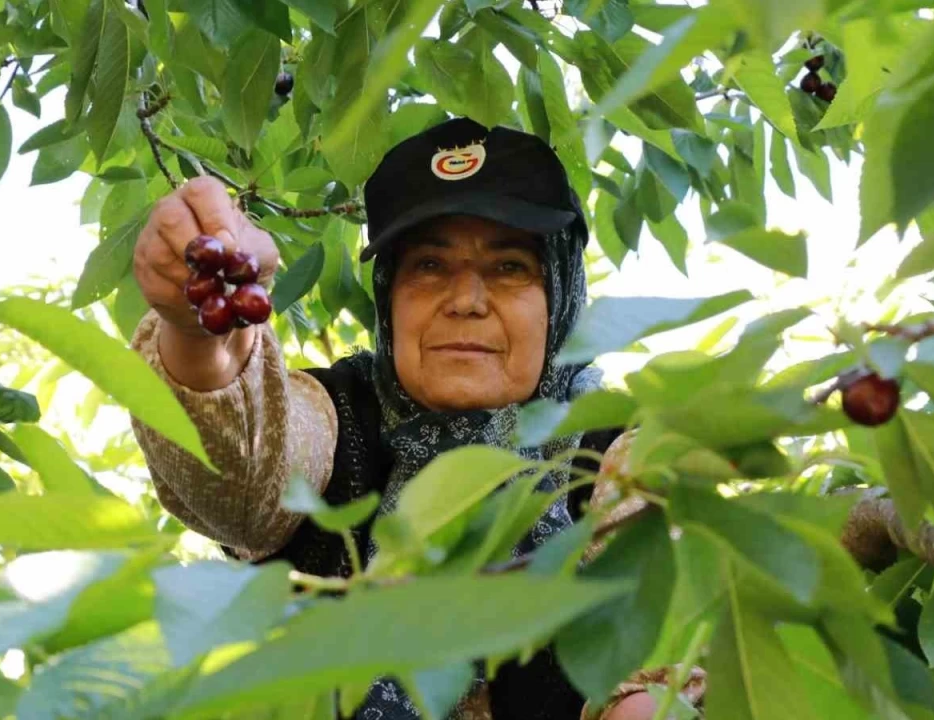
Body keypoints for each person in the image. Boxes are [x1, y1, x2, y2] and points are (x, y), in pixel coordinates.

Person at [129, 118, 704, 720]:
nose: (466, 299)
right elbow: (244, 477)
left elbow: (672, 645)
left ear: (559, 297)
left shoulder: (614, 451)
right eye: (429, 266)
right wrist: (201, 333)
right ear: (388, 297)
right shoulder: (338, 416)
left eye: (510, 267)